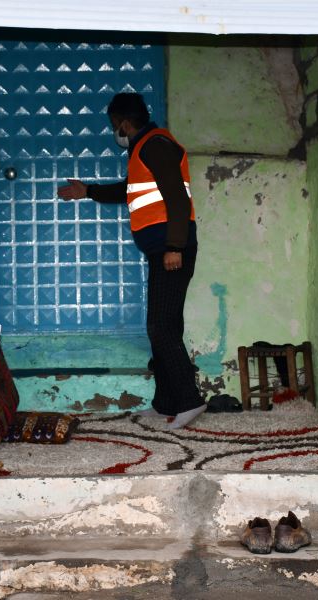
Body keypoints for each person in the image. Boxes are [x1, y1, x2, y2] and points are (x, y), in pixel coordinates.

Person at [57, 93, 206, 430]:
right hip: (162, 251)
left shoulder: (155, 144)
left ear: (124, 122)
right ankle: (167, 401)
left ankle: (189, 401)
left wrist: (174, 246)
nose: (115, 132)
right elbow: (130, 191)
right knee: (163, 327)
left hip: (172, 251)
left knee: (161, 327)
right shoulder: (144, 150)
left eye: (114, 126)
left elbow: (177, 200)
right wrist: (89, 191)